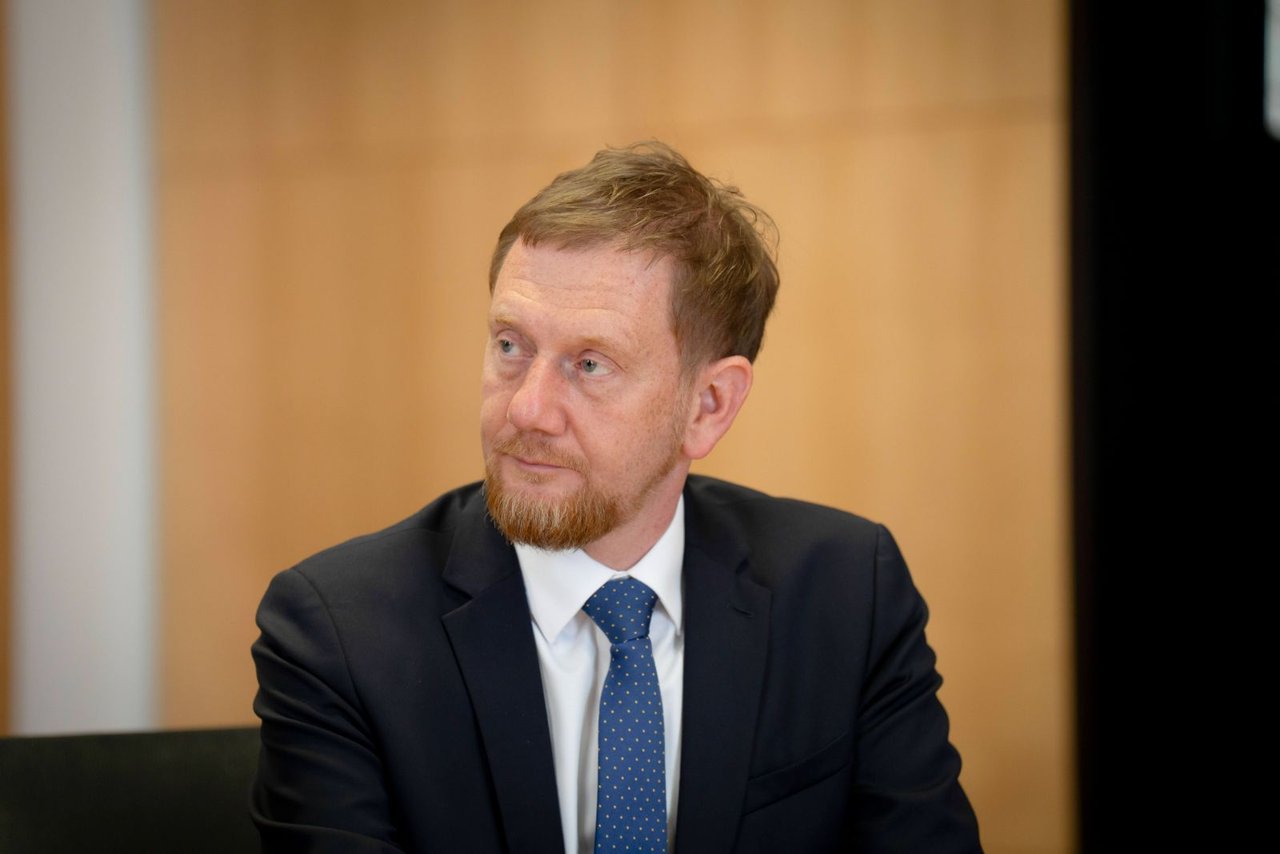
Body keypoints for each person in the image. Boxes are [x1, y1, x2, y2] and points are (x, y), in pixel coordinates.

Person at [251, 141, 981, 853]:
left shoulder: (846, 596)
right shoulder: (338, 635)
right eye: (510, 346)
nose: (527, 410)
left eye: (591, 364)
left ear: (709, 406)